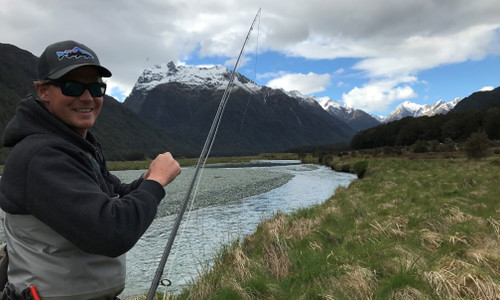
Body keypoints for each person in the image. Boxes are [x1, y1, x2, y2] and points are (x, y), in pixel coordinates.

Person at [0, 40, 181, 299]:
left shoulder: (77, 145)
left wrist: (148, 178)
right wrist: (156, 183)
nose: (87, 97)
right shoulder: (42, 157)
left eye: (96, 88)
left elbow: (115, 193)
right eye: (72, 86)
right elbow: (112, 231)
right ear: (43, 91)